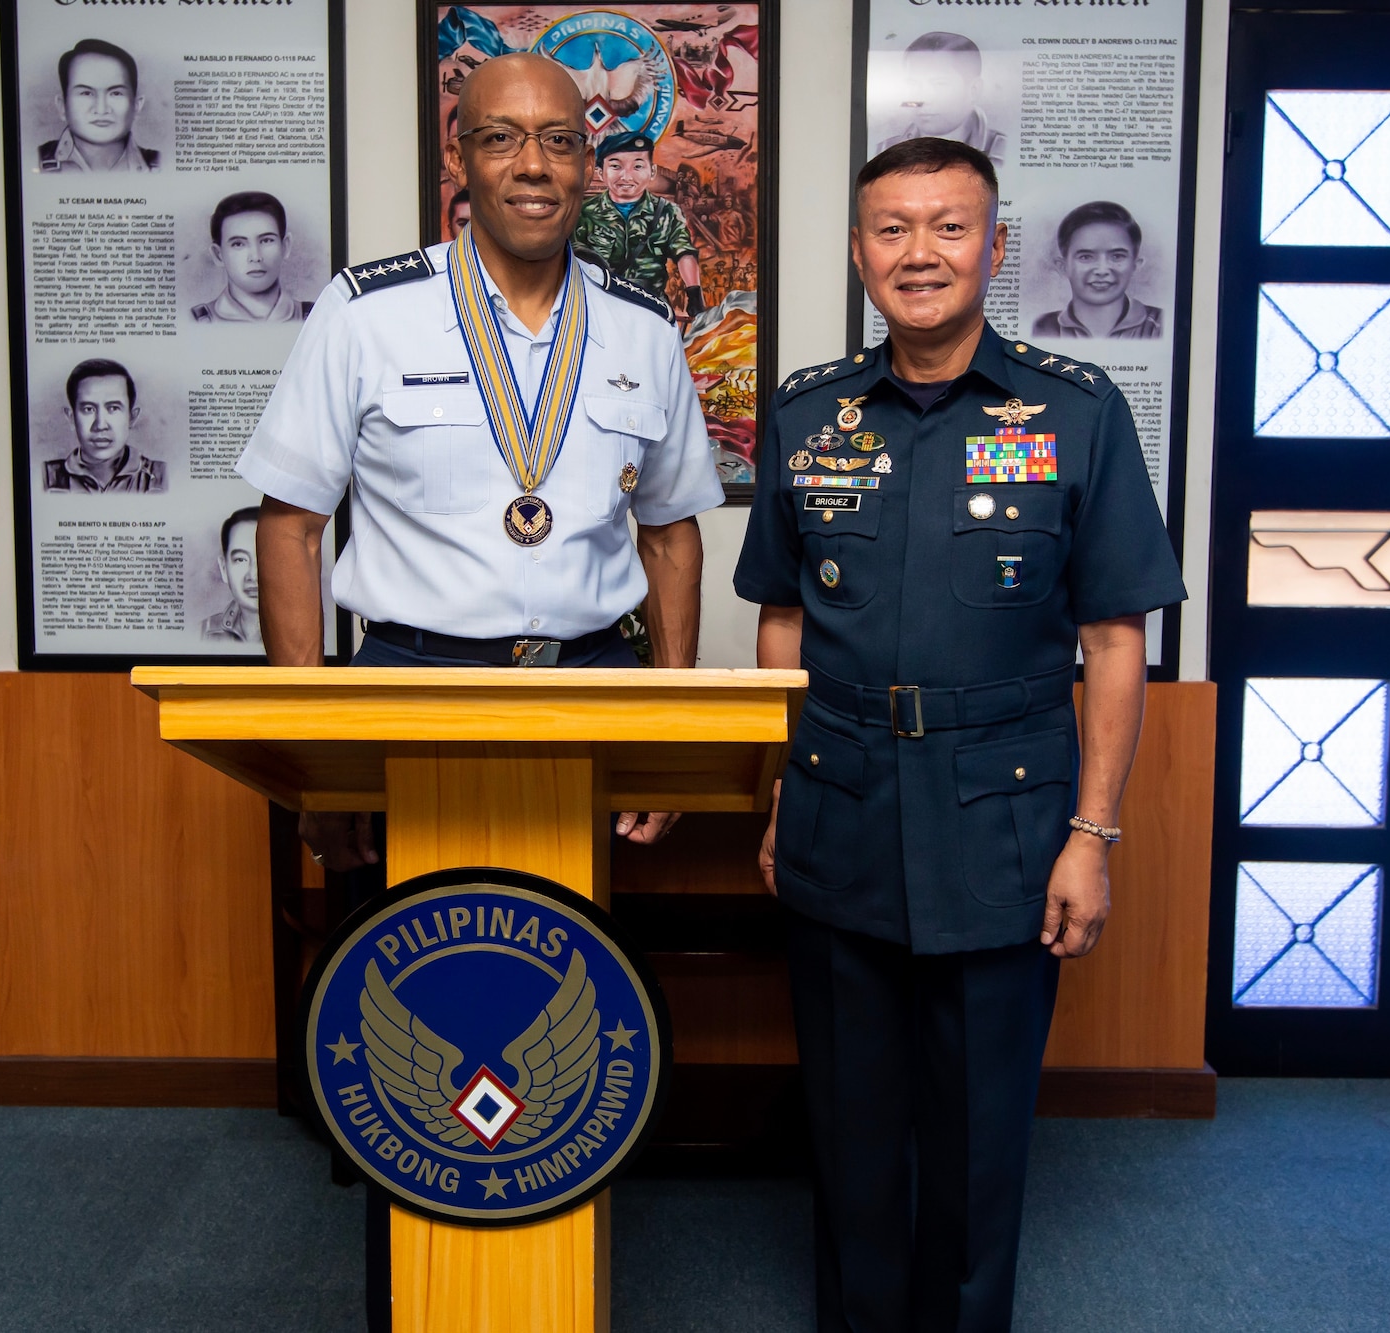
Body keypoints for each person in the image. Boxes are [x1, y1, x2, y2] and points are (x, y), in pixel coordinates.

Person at [240, 54, 723, 1325]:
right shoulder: (366, 311)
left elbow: (673, 533)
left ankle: (554, 1278)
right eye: (503, 141)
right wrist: (310, 756)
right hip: (406, 689)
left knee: (573, 998)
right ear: (458, 156)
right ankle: (419, 1292)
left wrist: (670, 727)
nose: (533, 166)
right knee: (400, 1015)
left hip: (588, 690)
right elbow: (288, 525)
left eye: (558, 142)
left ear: (590, 153)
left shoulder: (638, 328)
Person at [734, 137, 1185, 1332]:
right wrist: (776, 793)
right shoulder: (805, 413)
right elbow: (781, 619)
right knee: (849, 1128)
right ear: (857, 250)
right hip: (838, 806)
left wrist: (1091, 833)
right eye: (891, 228)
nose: (917, 252)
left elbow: (1111, 639)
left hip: (1004, 821)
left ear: (991, 247)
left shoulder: (1075, 412)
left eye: (946, 226)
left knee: (981, 1137)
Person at [572, 130, 705, 317]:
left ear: (652, 172)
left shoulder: (667, 212)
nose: (626, 176)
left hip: (651, 309)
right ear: (601, 173)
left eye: (637, 166)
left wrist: (694, 293)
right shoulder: (584, 214)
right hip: (599, 310)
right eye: (616, 166)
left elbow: (683, 252)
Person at [1032, 201, 1164, 341]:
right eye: (1086, 257)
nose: (1102, 270)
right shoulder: (1041, 328)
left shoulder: (1160, 325)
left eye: (1117, 256)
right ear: (1063, 266)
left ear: (1135, 265)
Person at [877, 33, 1006, 170]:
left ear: (974, 90)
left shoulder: (1002, 153)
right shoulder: (883, 153)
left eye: (939, 84)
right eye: (914, 85)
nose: (924, 99)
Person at [43, 359, 166, 493]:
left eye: (113, 408)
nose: (100, 425)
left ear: (132, 417)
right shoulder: (46, 478)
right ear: (71, 418)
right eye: (88, 409)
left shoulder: (161, 477)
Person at [38, 39, 160, 174]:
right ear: (62, 106)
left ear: (137, 106)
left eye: (116, 93)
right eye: (86, 93)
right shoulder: (32, 159)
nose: (101, 109)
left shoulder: (162, 165)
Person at [190, 192, 312, 324]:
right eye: (238, 244)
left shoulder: (314, 316)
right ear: (218, 255)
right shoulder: (195, 321)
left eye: (266, 241)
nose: (255, 257)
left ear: (285, 247)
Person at [201, 507, 261, 642]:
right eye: (241, 560)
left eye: (266, 558)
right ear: (224, 569)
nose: (253, 575)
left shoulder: (310, 634)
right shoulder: (202, 633)